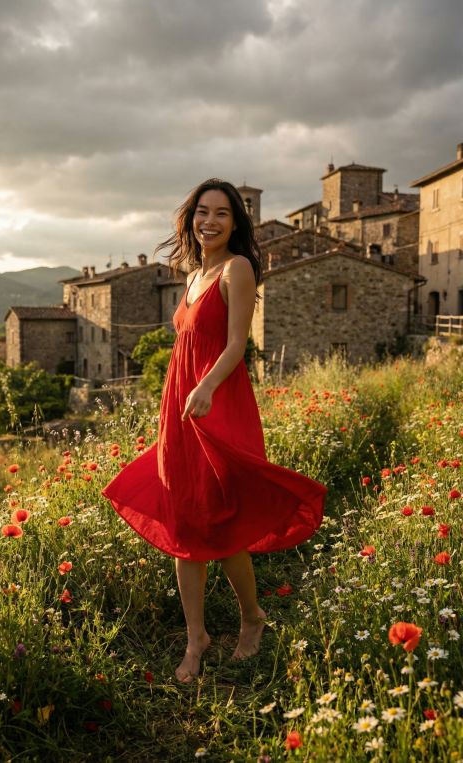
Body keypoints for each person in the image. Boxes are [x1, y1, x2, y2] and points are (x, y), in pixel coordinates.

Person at [102, 179, 327, 683]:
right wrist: (184, 393)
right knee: (184, 521)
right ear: (190, 218)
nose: (210, 221)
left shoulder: (237, 269)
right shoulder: (193, 274)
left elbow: (236, 345)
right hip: (180, 405)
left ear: (236, 222)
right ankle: (196, 637)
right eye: (202, 212)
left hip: (217, 402)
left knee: (221, 522)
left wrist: (204, 388)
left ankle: (252, 617)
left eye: (222, 214)